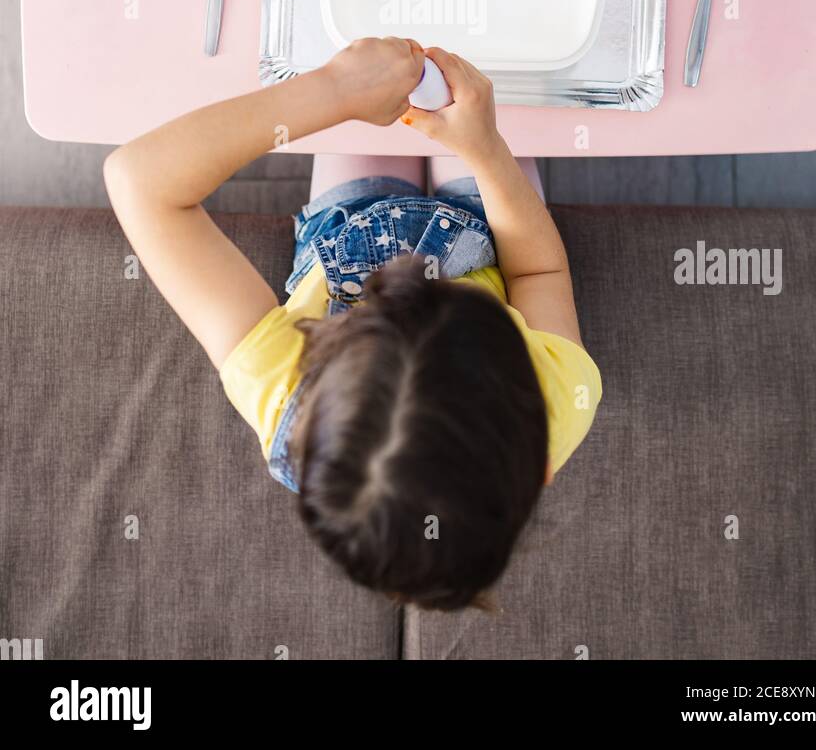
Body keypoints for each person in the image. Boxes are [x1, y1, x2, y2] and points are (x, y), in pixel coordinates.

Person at [104, 38, 602, 611]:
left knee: (387, 60)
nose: (412, 275)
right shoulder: (559, 404)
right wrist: (486, 149)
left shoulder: (283, 392)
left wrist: (333, 92)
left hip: (352, 218)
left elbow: (138, 180)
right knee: (475, 66)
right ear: (541, 467)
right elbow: (537, 270)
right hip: (490, 228)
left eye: (376, 308)